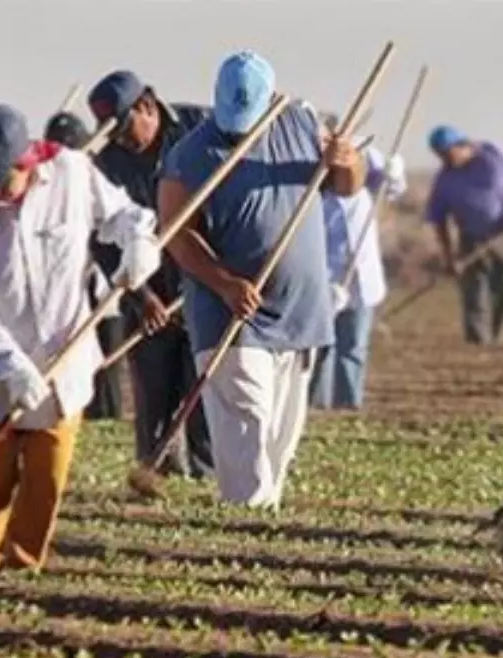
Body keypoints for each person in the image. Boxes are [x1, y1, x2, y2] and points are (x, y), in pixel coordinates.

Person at [0, 104, 163, 570]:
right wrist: (12, 366)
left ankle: (22, 566)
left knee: (47, 478)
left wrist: (140, 248)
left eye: (3, 179)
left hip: (64, 362)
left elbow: (126, 216)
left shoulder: (73, 173)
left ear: (27, 163)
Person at [157, 51, 365, 509]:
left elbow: (349, 186)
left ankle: (264, 520)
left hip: (300, 313)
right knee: (245, 424)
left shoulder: (302, 124)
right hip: (231, 316)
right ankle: (247, 520)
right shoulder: (188, 155)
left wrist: (345, 160)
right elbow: (175, 233)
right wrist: (224, 282)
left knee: (280, 435)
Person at [88, 70, 213, 477]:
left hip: (203, 283)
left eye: (125, 128)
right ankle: (155, 471)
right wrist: (142, 297)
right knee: (153, 392)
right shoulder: (106, 164)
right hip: (150, 294)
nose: (122, 140)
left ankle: (207, 473)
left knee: (204, 392)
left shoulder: (199, 129)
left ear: (148, 106)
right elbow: (104, 242)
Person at [310, 111, 407, 410]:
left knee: (354, 346)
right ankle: (318, 405)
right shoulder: (309, 173)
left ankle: (348, 404)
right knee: (323, 346)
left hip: (362, 274)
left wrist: (395, 174)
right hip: (324, 277)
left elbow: (391, 190)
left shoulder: (364, 155)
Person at [44, 110, 125, 421]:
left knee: (104, 356)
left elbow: (116, 220)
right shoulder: (41, 182)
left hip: (100, 286)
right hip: (62, 290)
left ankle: (106, 415)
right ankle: (81, 410)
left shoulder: (91, 176)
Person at [424, 125, 503, 345]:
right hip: (469, 237)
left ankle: (498, 338)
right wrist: (449, 258)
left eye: (448, 153)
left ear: (463, 145)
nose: (445, 160)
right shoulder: (444, 178)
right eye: (440, 156)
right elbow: (439, 219)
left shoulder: (496, 157)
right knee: (473, 293)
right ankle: (478, 343)